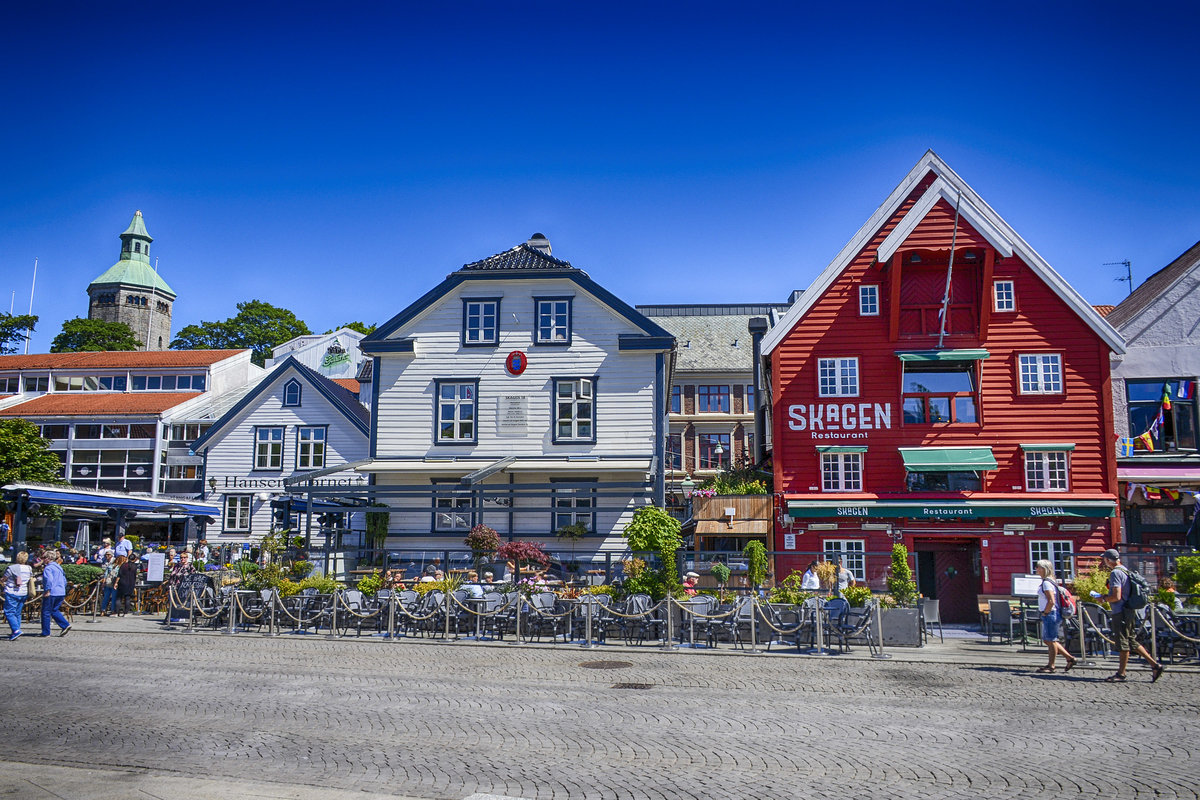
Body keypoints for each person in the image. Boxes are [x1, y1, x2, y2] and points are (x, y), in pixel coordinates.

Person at [1092, 549, 1164, 683]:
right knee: (1131, 640)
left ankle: (1121, 673)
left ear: (1108, 560)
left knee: (1122, 642)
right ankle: (1155, 665)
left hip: (1121, 612)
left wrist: (1103, 598)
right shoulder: (1125, 570)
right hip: (1129, 610)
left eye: (1104, 560)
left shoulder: (1115, 573)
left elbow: (1116, 596)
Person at [1033, 559, 1076, 673]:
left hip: (1051, 613)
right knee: (1048, 640)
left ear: (1044, 569)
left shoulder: (1047, 583)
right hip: (1052, 613)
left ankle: (1051, 666)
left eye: (1038, 567)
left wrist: (1045, 612)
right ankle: (1069, 658)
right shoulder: (1051, 581)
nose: (1036, 569)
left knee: (1051, 640)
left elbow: (1051, 601)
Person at [40, 550, 72, 637]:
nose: (42, 560)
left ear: (48, 559)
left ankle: (46, 632)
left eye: (43, 558)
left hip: (52, 592)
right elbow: (64, 580)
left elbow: (49, 580)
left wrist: (47, 590)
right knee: (54, 610)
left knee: (46, 612)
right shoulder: (59, 567)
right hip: (61, 592)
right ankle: (65, 624)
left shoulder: (48, 568)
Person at [3, 551, 32, 641]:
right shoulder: (29, 568)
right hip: (23, 592)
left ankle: (16, 630)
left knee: (9, 612)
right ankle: (16, 629)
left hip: (12, 592)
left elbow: (4, 578)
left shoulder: (11, 568)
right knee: (17, 613)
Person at [100, 551, 120, 616]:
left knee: (106, 597)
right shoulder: (117, 567)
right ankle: (112, 610)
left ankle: (103, 610)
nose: (107, 556)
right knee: (113, 597)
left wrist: (104, 582)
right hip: (113, 583)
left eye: (108, 555)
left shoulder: (109, 565)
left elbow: (105, 575)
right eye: (106, 554)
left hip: (108, 582)